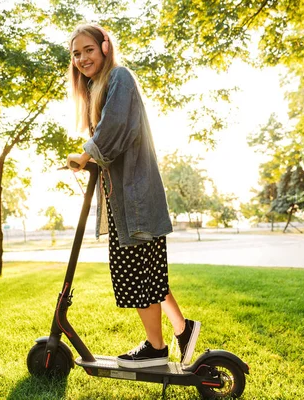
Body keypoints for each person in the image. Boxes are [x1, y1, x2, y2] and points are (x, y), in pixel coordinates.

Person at [66, 23, 200, 369]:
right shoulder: (98, 88)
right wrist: (90, 158)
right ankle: (183, 330)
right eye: (76, 54)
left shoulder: (120, 77)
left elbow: (116, 128)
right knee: (148, 273)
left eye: (89, 50)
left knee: (139, 275)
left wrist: (86, 154)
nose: (82, 58)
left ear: (105, 47)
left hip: (136, 198)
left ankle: (156, 349)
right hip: (124, 200)